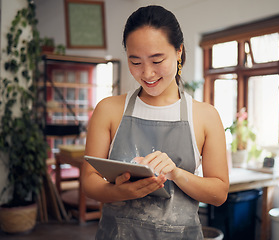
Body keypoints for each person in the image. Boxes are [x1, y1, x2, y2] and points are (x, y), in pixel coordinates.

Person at [81, 5, 229, 240]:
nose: (147, 73)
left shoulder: (205, 116)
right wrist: (121, 191)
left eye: (157, 60)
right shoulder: (108, 110)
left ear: (179, 52)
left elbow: (219, 193)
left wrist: (175, 173)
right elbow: (89, 183)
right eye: (136, 62)